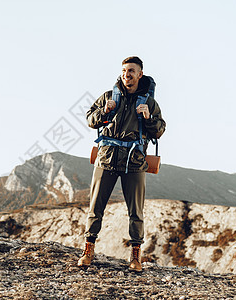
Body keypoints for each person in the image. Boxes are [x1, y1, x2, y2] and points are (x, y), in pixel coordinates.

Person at [77, 56, 166, 272]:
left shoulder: (149, 103)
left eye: (132, 70)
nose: (128, 74)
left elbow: (160, 130)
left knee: (136, 212)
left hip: (134, 162)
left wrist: (148, 118)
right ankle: (88, 251)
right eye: (125, 70)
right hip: (106, 159)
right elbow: (90, 120)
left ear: (140, 74)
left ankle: (135, 257)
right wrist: (104, 111)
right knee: (95, 208)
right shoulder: (109, 96)